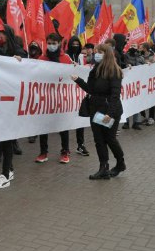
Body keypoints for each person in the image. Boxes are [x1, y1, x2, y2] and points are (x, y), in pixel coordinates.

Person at [72, 43, 126, 180]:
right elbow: (91, 89)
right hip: (95, 110)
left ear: (106, 54)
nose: (96, 54)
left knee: (110, 138)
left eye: (100, 52)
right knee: (99, 140)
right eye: (96, 52)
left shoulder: (114, 71)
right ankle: (103, 167)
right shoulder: (95, 70)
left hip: (108, 111)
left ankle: (120, 163)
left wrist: (110, 113)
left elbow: (115, 95)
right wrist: (78, 80)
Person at [0, 24, 26, 190]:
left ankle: (5, 175)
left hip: (13, 100)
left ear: (7, 35)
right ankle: (8, 170)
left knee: (8, 136)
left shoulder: (20, 51)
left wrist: (20, 62)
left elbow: (29, 68)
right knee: (3, 136)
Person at [36, 33, 74, 164]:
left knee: (63, 126)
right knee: (43, 126)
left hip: (61, 98)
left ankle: (65, 152)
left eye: (54, 43)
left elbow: (72, 75)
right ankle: (43, 152)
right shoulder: (42, 58)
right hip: (45, 98)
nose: (51, 45)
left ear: (59, 44)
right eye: (49, 43)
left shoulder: (66, 59)